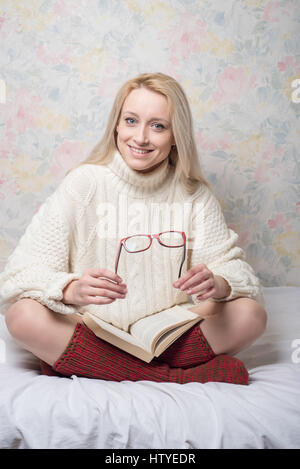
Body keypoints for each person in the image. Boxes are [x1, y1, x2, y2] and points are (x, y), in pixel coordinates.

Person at [0, 73, 267, 385]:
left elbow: (238, 273)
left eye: (158, 126)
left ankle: (84, 364)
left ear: (175, 135)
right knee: (22, 316)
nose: (140, 137)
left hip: (167, 333)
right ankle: (172, 378)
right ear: (116, 125)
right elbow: (18, 278)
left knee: (251, 315)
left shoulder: (194, 195)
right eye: (131, 121)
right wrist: (70, 289)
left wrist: (218, 283)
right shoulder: (84, 183)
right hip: (91, 327)